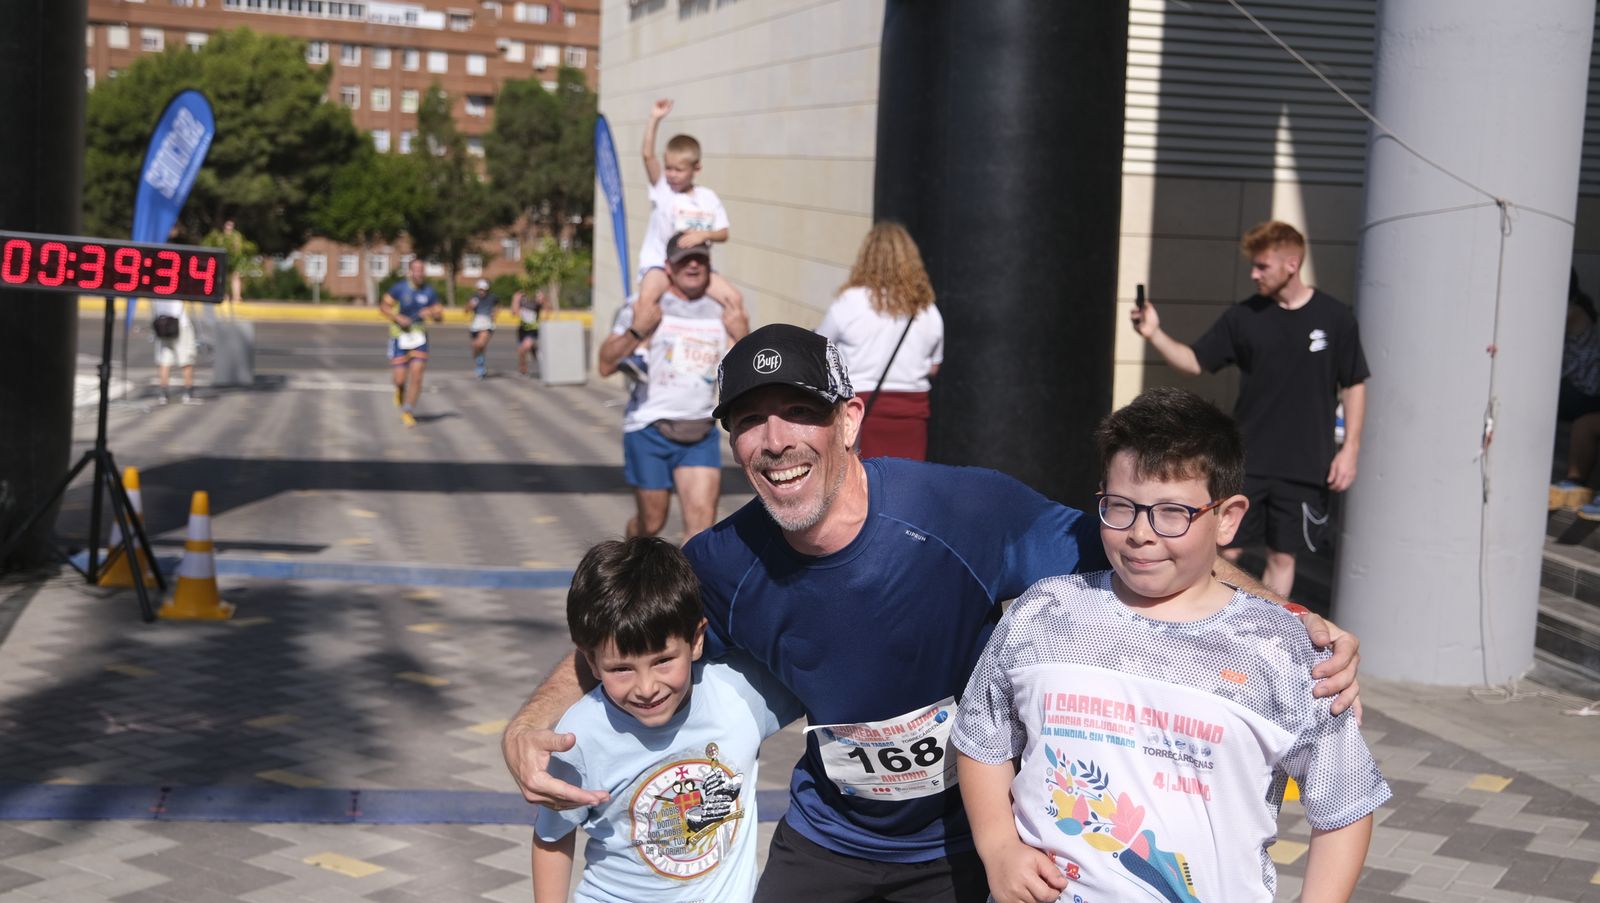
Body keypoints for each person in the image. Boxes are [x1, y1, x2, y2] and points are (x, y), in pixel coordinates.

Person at [504, 324, 1362, 903]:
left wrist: (1288, 619)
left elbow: (1152, 544)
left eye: (800, 412)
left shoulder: (963, 512)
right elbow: (627, 638)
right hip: (830, 832)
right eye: (750, 422)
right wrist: (537, 717)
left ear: (850, 418)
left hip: (969, 838)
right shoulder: (722, 562)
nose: (775, 440)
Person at [952, 387, 1388, 903]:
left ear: (1227, 518)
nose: (1141, 533)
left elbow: (1346, 804)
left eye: (1173, 513)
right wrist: (999, 847)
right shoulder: (1042, 612)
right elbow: (982, 741)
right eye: (1121, 507)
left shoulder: (1284, 651)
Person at [531, 536, 802, 903]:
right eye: (621, 668)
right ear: (591, 661)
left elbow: (823, 673)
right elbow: (552, 836)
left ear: (696, 640)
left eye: (662, 661)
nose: (646, 687)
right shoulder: (578, 736)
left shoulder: (739, 694)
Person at [1130, 220, 1369, 598]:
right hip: (1246, 460)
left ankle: (1272, 632)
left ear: (1291, 264)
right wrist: (1154, 333)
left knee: (1283, 557)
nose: (1254, 274)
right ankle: (1218, 627)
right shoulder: (1243, 318)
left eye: (1262, 266)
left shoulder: (1335, 319)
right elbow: (1194, 361)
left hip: (1306, 464)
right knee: (1226, 549)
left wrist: (1351, 449)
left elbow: (1354, 383)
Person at [598, 232, 748, 542]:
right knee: (651, 523)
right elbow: (605, 364)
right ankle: (630, 559)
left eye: (700, 259)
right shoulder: (644, 306)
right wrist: (638, 329)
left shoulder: (723, 309)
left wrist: (743, 336)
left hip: (700, 432)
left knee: (701, 530)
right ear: (668, 266)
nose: (693, 266)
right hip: (649, 428)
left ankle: (691, 591)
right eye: (684, 260)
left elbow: (742, 371)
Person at [816, 221, 944, 460]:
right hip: (911, 414)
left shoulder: (850, 302)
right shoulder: (927, 310)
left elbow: (817, 349)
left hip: (860, 410)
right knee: (907, 484)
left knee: (863, 485)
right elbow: (933, 367)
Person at [635, 98, 743, 320]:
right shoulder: (664, 190)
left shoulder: (708, 198)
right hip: (661, 263)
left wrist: (704, 235)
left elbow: (724, 233)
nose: (672, 174)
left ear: (696, 168)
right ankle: (641, 350)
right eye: (669, 168)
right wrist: (654, 118)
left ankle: (735, 350)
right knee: (646, 300)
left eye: (679, 170)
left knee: (734, 300)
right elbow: (648, 156)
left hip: (694, 266)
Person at [1549, 271, 1600, 515]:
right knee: (1584, 425)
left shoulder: (1572, 313)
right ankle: (1575, 483)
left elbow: (1539, 331)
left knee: (1540, 399)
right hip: (1573, 391)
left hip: (1583, 393)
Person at [381, 258, 444, 428]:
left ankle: (408, 411)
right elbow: (384, 307)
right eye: (415, 270)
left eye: (421, 270)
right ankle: (400, 389)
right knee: (400, 379)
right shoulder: (399, 289)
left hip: (419, 338)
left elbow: (439, 317)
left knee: (417, 375)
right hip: (399, 337)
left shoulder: (430, 292)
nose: (419, 273)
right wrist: (397, 317)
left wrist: (432, 312)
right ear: (410, 272)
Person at [151, 299, 201, 406]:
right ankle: (188, 393)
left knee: (164, 359)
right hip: (181, 324)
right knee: (186, 359)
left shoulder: (155, 284)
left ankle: (163, 394)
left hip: (162, 323)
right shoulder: (178, 283)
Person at [466, 278, 499, 380]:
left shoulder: (492, 297)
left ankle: (480, 367)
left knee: (480, 344)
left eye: (483, 289)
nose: (481, 292)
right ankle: (480, 365)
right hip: (475, 324)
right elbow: (466, 310)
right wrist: (470, 306)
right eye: (480, 289)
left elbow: (497, 306)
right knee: (477, 347)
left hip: (487, 324)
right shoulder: (473, 298)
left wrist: (494, 313)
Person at [511, 288, 546, 379]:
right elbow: (514, 313)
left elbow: (546, 308)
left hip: (533, 330)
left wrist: (543, 299)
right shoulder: (521, 298)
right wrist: (515, 300)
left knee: (524, 348)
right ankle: (523, 370)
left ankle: (534, 350)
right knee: (521, 352)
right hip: (522, 330)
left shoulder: (537, 297)